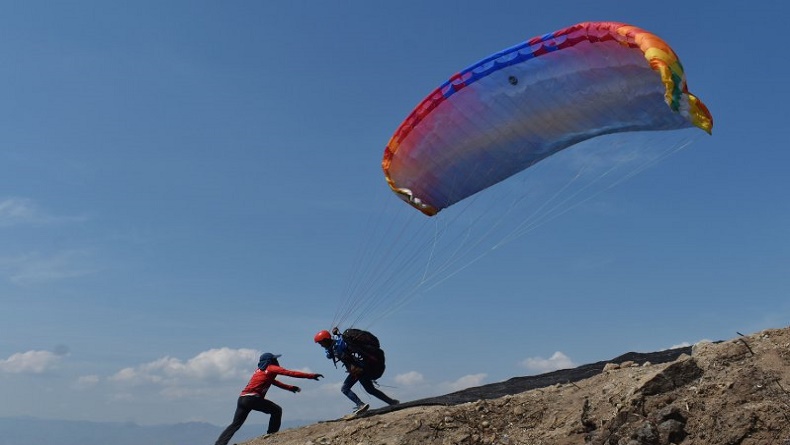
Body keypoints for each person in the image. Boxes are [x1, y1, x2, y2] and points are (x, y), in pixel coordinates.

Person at [214, 352, 323, 445]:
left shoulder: (259, 371)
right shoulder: (271, 368)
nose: (276, 361)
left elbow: (274, 382)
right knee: (277, 410)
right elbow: (290, 373)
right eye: (274, 359)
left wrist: (290, 388)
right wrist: (311, 376)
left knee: (235, 424)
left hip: (242, 399)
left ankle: (220, 444)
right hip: (252, 399)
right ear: (270, 361)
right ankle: (271, 435)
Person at [314, 328, 399, 416]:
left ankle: (360, 405)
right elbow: (330, 353)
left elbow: (336, 348)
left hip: (357, 370)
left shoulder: (338, 346)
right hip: (361, 368)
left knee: (345, 389)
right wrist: (336, 335)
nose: (321, 345)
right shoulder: (335, 346)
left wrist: (337, 335)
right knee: (370, 390)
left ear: (326, 340)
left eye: (321, 343)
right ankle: (392, 402)